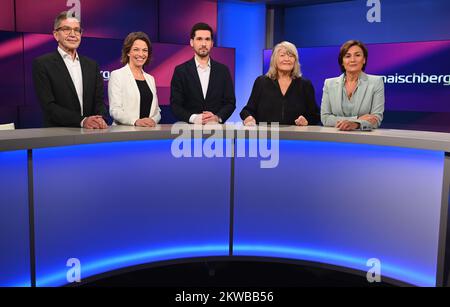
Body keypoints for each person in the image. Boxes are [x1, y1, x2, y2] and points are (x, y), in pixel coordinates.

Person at [32, 11, 107, 128]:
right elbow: (49, 106)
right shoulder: (43, 64)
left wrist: (99, 118)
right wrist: (82, 121)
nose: (73, 34)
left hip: (92, 133)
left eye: (77, 30)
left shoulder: (92, 65)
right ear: (56, 35)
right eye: (67, 29)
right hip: (58, 135)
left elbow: (99, 101)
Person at [240, 41, 320, 126]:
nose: (287, 59)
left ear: (295, 61)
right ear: (275, 59)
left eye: (291, 56)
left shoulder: (305, 84)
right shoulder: (261, 82)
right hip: (267, 135)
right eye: (282, 55)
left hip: (295, 136)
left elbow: (315, 115)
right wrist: (248, 118)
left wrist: (306, 121)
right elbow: (247, 110)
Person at [170, 23, 236, 124]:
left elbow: (230, 102)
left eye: (207, 39)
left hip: (217, 132)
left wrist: (217, 117)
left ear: (212, 43)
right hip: (188, 132)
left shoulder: (223, 71)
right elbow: (175, 105)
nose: (204, 44)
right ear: (192, 42)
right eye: (199, 39)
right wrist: (193, 118)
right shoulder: (180, 71)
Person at [320, 40, 384, 131]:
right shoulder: (329, 84)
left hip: (363, 140)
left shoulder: (376, 82)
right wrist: (357, 120)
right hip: (335, 138)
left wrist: (355, 125)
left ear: (364, 59)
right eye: (347, 56)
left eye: (357, 55)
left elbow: (376, 119)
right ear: (342, 61)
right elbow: (325, 118)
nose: (352, 60)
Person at [109, 32, 161, 127]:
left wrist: (152, 120)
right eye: (136, 50)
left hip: (148, 132)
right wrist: (136, 121)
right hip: (123, 133)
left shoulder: (150, 79)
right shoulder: (117, 75)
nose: (141, 54)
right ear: (128, 52)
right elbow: (115, 110)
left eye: (145, 50)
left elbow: (157, 110)